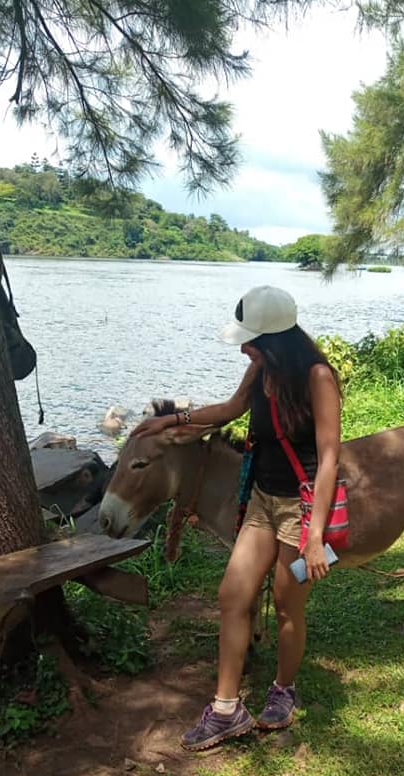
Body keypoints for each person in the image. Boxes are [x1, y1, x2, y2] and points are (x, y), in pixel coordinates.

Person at [132, 286, 342, 750]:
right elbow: (228, 410)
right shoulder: (260, 370)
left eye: (251, 340)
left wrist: (314, 535)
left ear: (276, 340)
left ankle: (283, 691)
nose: (245, 347)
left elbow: (328, 457)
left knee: (288, 604)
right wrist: (173, 419)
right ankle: (226, 709)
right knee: (232, 595)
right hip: (263, 501)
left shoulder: (316, 377)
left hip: (299, 509)